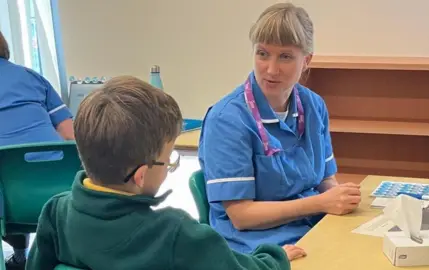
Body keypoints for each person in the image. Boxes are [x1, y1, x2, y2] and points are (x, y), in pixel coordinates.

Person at [26, 76, 306, 270]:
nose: (168, 166)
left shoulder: (55, 213)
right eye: (167, 159)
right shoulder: (174, 232)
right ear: (140, 176)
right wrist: (274, 256)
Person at [198, 2, 362, 254]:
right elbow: (241, 215)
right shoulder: (227, 119)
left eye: (285, 56)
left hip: (312, 228)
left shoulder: (314, 106)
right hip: (256, 245)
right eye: (263, 54)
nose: (271, 69)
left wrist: (340, 199)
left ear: (306, 61)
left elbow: (325, 180)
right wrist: (319, 204)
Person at [0, 31, 74, 269]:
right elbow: (70, 134)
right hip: (58, 193)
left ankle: (20, 256)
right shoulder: (31, 77)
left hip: (5, 201)